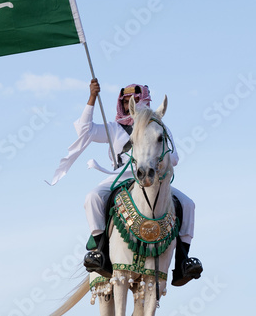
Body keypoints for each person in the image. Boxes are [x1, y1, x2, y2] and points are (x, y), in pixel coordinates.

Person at [47, 79, 202, 286]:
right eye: (128, 101)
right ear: (122, 104)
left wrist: (156, 159)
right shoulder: (114, 129)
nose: (133, 104)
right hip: (121, 176)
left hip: (154, 177)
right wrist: (92, 98)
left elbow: (174, 158)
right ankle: (101, 252)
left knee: (188, 204)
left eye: (137, 99)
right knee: (92, 198)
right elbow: (84, 131)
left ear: (145, 101)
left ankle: (182, 262)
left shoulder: (159, 127)